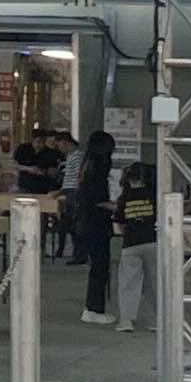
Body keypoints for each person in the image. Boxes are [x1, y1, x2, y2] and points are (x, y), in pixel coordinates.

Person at [71, 127, 118, 323]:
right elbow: (97, 200)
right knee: (100, 267)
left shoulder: (87, 167)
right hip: (97, 223)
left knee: (98, 267)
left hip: (88, 222)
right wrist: (116, 206)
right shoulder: (97, 171)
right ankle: (94, 309)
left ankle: (93, 308)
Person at [113, 148, 160, 332]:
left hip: (131, 244)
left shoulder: (124, 198)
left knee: (128, 284)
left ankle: (126, 321)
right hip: (152, 242)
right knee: (154, 285)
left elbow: (119, 223)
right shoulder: (153, 195)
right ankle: (157, 320)